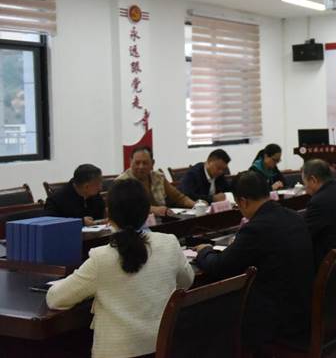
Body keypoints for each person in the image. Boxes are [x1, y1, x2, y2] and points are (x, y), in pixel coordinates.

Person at [46, 179, 195, 358]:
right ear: (147, 211)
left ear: (109, 215)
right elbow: (187, 281)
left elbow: (55, 299)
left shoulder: (101, 258)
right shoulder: (169, 242)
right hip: (163, 346)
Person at [194, 170, 314, 350]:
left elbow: (220, 267)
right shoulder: (294, 216)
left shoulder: (256, 228)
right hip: (302, 308)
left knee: (211, 312)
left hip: (275, 320)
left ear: (243, 201)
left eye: (237, 205)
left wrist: (205, 251)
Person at [116, 146, 195, 216]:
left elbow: (179, 198)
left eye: (145, 163)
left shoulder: (158, 177)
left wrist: (197, 205)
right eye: (137, 163)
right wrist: (153, 210)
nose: (141, 166)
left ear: (152, 163)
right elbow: (129, 207)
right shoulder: (122, 182)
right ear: (130, 162)